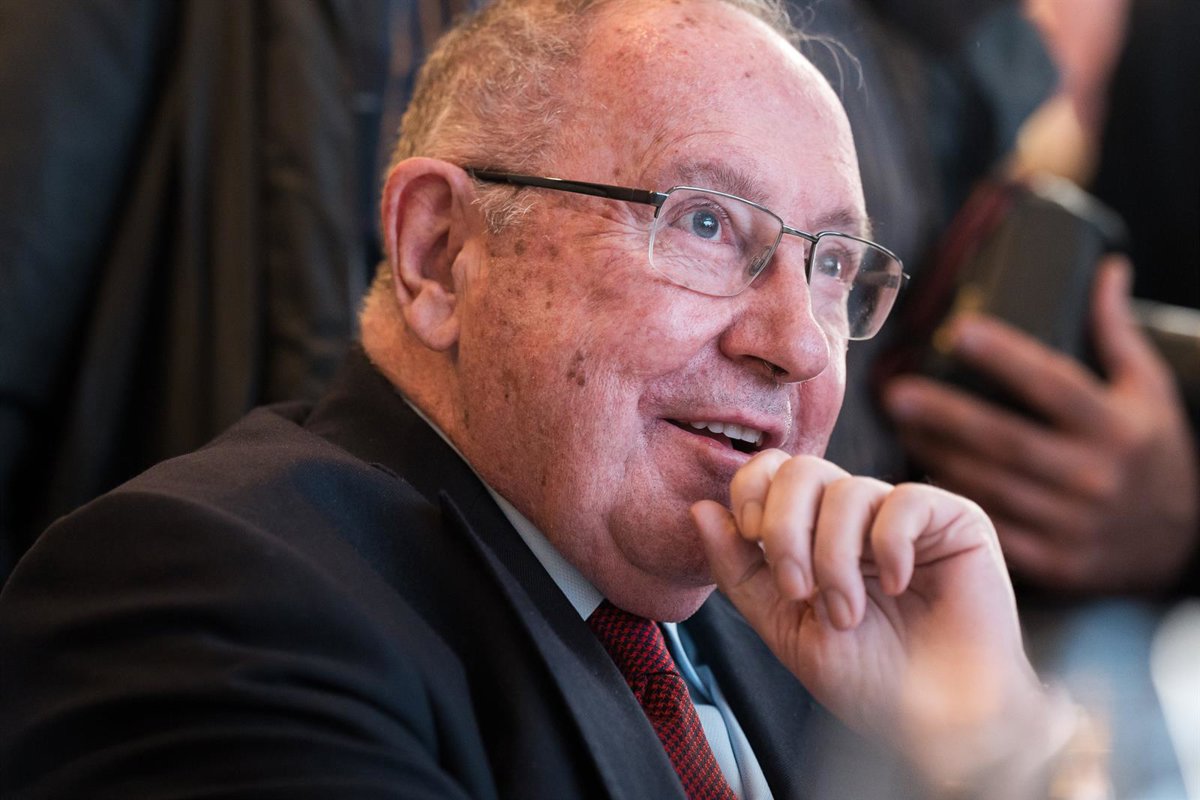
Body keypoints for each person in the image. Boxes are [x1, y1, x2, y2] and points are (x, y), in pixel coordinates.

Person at [0, 1, 1091, 798]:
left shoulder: (817, 648)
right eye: (706, 224)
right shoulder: (208, 599)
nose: (800, 345)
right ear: (440, 251)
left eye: (833, 266)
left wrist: (992, 745)